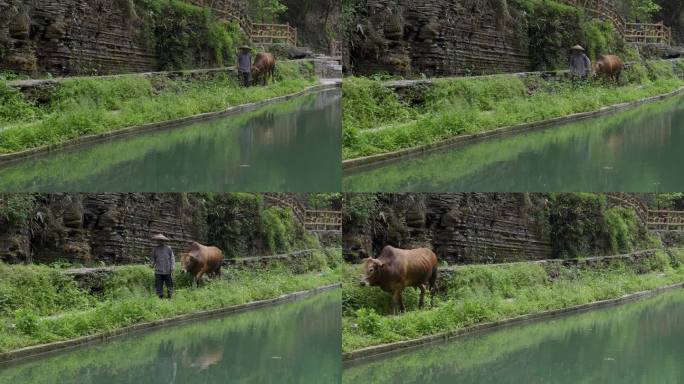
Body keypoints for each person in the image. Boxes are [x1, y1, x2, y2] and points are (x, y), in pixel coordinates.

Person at [151, 233, 175, 299]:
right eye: (158, 240)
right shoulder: (155, 249)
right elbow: (153, 258)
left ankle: (170, 296)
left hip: (167, 270)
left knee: (169, 284)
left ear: (164, 241)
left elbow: (172, 258)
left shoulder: (169, 248)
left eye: (161, 240)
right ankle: (160, 297)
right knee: (158, 285)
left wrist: (172, 267)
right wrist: (151, 265)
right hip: (158, 271)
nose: (159, 241)